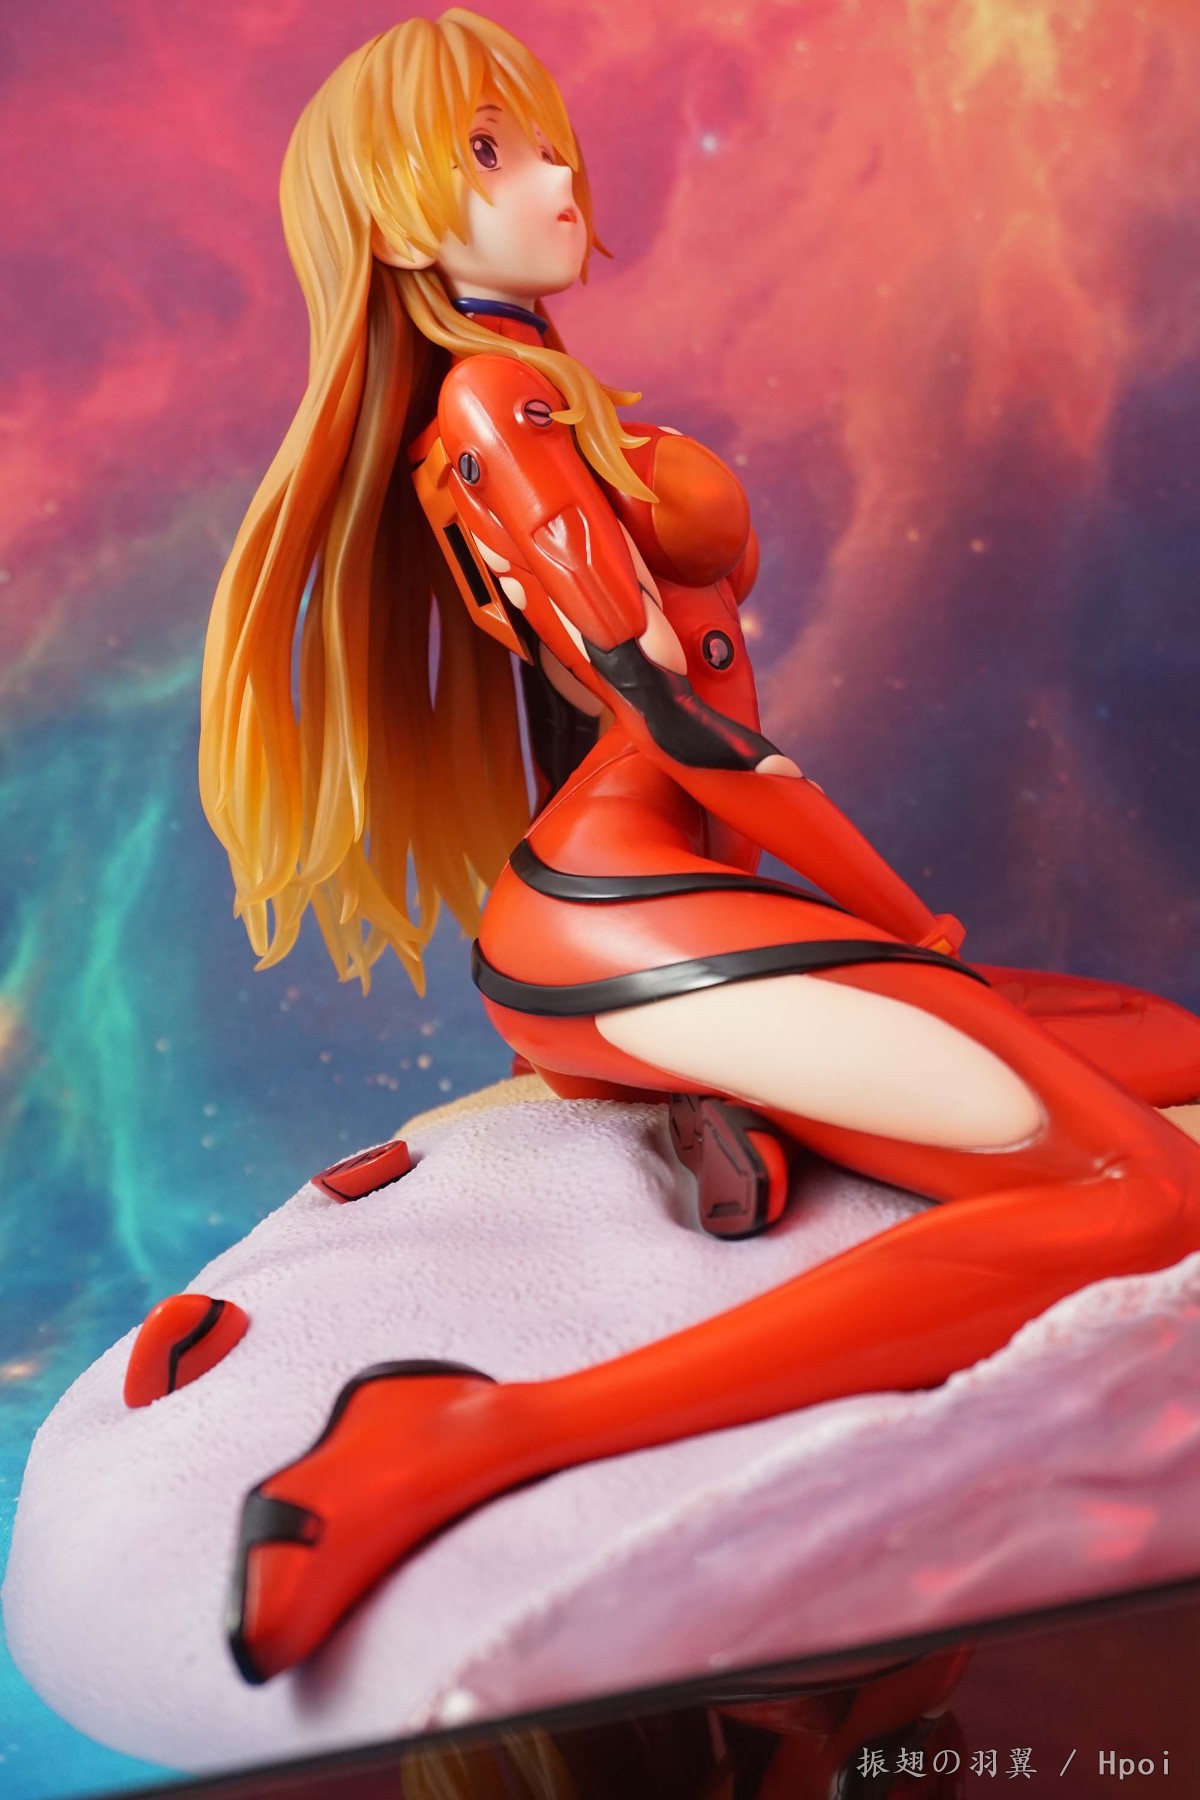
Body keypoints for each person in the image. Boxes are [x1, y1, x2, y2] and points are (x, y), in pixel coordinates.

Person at [199, 11, 1200, 1685]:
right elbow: (681, 726)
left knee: (1164, 1043)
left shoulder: (543, 393)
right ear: (393, 216)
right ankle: (466, 1431)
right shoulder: (495, 403)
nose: (555, 176)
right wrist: (905, 919)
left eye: (544, 138)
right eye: (490, 153)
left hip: (684, 901)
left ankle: (716, 1108)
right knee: (1142, 1194)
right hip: (623, 910)